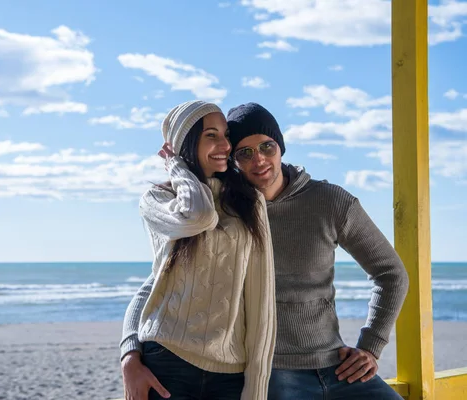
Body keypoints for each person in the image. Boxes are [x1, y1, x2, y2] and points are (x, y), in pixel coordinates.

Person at [121, 102, 409, 400]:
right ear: (232, 159)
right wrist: (130, 351)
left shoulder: (330, 201)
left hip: (337, 364)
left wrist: (370, 346)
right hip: (272, 372)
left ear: (280, 147)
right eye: (244, 153)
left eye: (267, 147)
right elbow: (159, 283)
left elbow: (391, 273)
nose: (259, 160)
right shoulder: (228, 211)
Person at [120, 100, 277, 400]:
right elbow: (199, 216)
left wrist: (256, 390)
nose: (225, 145)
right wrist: (178, 166)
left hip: (230, 373)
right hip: (167, 362)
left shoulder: (250, 202)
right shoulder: (157, 198)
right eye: (211, 135)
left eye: (226, 135)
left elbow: (261, 303)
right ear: (187, 142)